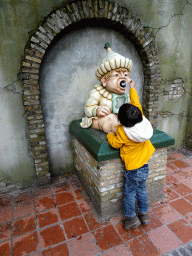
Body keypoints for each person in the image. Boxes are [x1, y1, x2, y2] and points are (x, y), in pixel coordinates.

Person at [107, 79, 155, 231]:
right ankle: (144, 215)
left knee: (129, 193)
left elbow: (114, 143)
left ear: (121, 121)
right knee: (141, 189)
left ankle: (131, 218)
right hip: (145, 165)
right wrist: (132, 88)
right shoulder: (141, 121)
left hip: (133, 168)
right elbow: (136, 103)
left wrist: (109, 134)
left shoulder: (122, 132)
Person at [80, 42, 132, 134]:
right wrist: (97, 110)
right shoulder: (97, 92)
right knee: (111, 118)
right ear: (104, 80)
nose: (123, 79)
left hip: (119, 119)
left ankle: (130, 131)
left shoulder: (126, 96)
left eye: (125, 75)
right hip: (100, 119)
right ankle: (120, 132)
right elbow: (87, 108)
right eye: (116, 75)